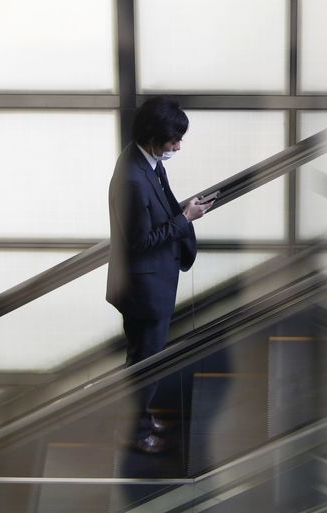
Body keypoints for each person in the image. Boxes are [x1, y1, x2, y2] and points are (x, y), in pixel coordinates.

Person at [106, 97, 213, 454]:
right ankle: (136, 432)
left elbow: (156, 213)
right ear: (154, 137)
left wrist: (181, 211)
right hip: (144, 290)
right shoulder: (132, 179)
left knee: (143, 359)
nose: (178, 146)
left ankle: (143, 420)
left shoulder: (143, 160)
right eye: (173, 140)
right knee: (145, 365)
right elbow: (140, 242)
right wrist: (186, 219)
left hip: (148, 284)